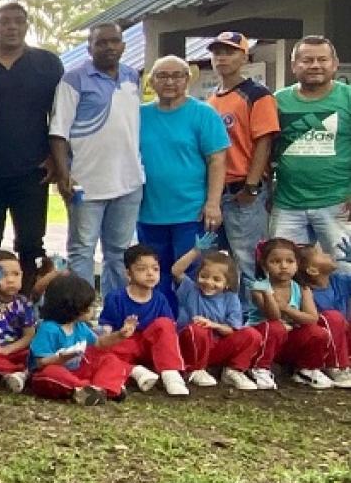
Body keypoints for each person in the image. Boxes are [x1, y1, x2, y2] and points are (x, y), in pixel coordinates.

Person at [49, 22, 144, 296]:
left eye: (114, 41)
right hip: (85, 183)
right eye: (101, 42)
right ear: (89, 47)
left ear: (123, 45)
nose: (109, 47)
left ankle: (114, 311)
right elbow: (58, 132)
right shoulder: (73, 80)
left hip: (128, 181)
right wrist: (64, 174)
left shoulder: (131, 77)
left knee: (118, 251)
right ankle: (82, 312)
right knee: (82, 250)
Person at [0, 3, 63, 281]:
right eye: (4, 22)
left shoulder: (47, 64)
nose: (12, 27)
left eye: (18, 21)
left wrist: (55, 157)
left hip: (33, 169)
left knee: (31, 243)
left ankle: (27, 307)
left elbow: (60, 114)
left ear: (26, 26)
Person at [137, 56, 229, 311]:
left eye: (177, 75)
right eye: (162, 76)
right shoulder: (139, 115)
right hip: (149, 212)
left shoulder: (203, 114)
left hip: (192, 212)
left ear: (188, 79)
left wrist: (213, 203)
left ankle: (193, 330)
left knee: (192, 274)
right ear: (151, 81)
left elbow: (217, 161)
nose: (169, 81)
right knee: (153, 275)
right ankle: (162, 325)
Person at [205, 32, 277, 286]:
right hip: (217, 191)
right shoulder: (213, 99)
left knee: (248, 258)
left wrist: (252, 186)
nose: (222, 58)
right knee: (218, 261)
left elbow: (264, 141)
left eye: (229, 52)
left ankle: (255, 318)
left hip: (243, 190)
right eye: (217, 53)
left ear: (244, 57)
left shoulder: (256, 94)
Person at [270, 36, 349, 253]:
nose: (315, 65)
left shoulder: (348, 98)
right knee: (283, 273)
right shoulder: (277, 101)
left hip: (338, 203)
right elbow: (267, 149)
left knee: (344, 271)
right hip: (287, 203)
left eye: (322, 59)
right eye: (307, 60)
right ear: (294, 65)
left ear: (334, 64)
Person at [97, 245, 190, 396]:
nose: (150, 274)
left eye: (155, 269)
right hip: (126, 344)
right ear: (128, 273)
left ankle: (171, 374)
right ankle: (135, 372)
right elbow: (106, 327)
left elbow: (168, 331)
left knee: (165, 324)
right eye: (142, 269)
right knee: (101, 349)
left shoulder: (160, 299)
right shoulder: (116, 298)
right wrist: (120, 333)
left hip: (151, 347)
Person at [170, 236, 261, 390]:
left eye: (217, 279)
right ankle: (194, 369)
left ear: (227, 284)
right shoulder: (190, 289)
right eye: (204, 276)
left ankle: (233, 371)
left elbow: (232, 330)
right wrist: (196, 251)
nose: (209, 283)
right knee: (197, 330)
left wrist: (213, 325)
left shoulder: (231, 298)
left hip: (217, 347)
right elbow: (176, 270)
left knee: (252, 335)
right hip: (192, 347)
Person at [28, 273, 134, 404]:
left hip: (78, 370)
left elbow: (99, 343)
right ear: (72, 308)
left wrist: (120, 335)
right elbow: (40, 363)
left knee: (110, 360)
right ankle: (85, 389)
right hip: (53, 371)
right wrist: (61, 358)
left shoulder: (80, 326)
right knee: (51, 374)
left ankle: (100, 389)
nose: (92, 310)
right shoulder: (48, 329)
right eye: (88, 307)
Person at [247, 238, 337, 389]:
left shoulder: (302, 288)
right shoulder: (259, 288)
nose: (283, 266)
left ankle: (306, 369)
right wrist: (269, 294)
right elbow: (274, 317)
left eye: (289, 261)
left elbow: (312, 319)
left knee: (318, 332)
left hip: (288, 342)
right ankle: (259, 367)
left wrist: (287, 308)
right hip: (264, 341)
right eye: (276, 262)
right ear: (264, 265)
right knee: (276, 327)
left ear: (297, 264)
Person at [0, 250, 37, 393]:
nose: (10, 280)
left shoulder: (24, 303)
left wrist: (8, 349)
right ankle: (18, 374)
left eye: (16, 274)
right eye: (3, 275)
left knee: (35, 354)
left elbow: (29, 335)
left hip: (15, 350)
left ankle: (17, 374)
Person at [299, 242, 351, 387]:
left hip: (344, 340)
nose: (327, 254)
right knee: (334, 317)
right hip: (324, 347)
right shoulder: (307, 293)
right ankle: (336, 367)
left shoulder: (339, 280)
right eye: (320, 254)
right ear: (313, 270)